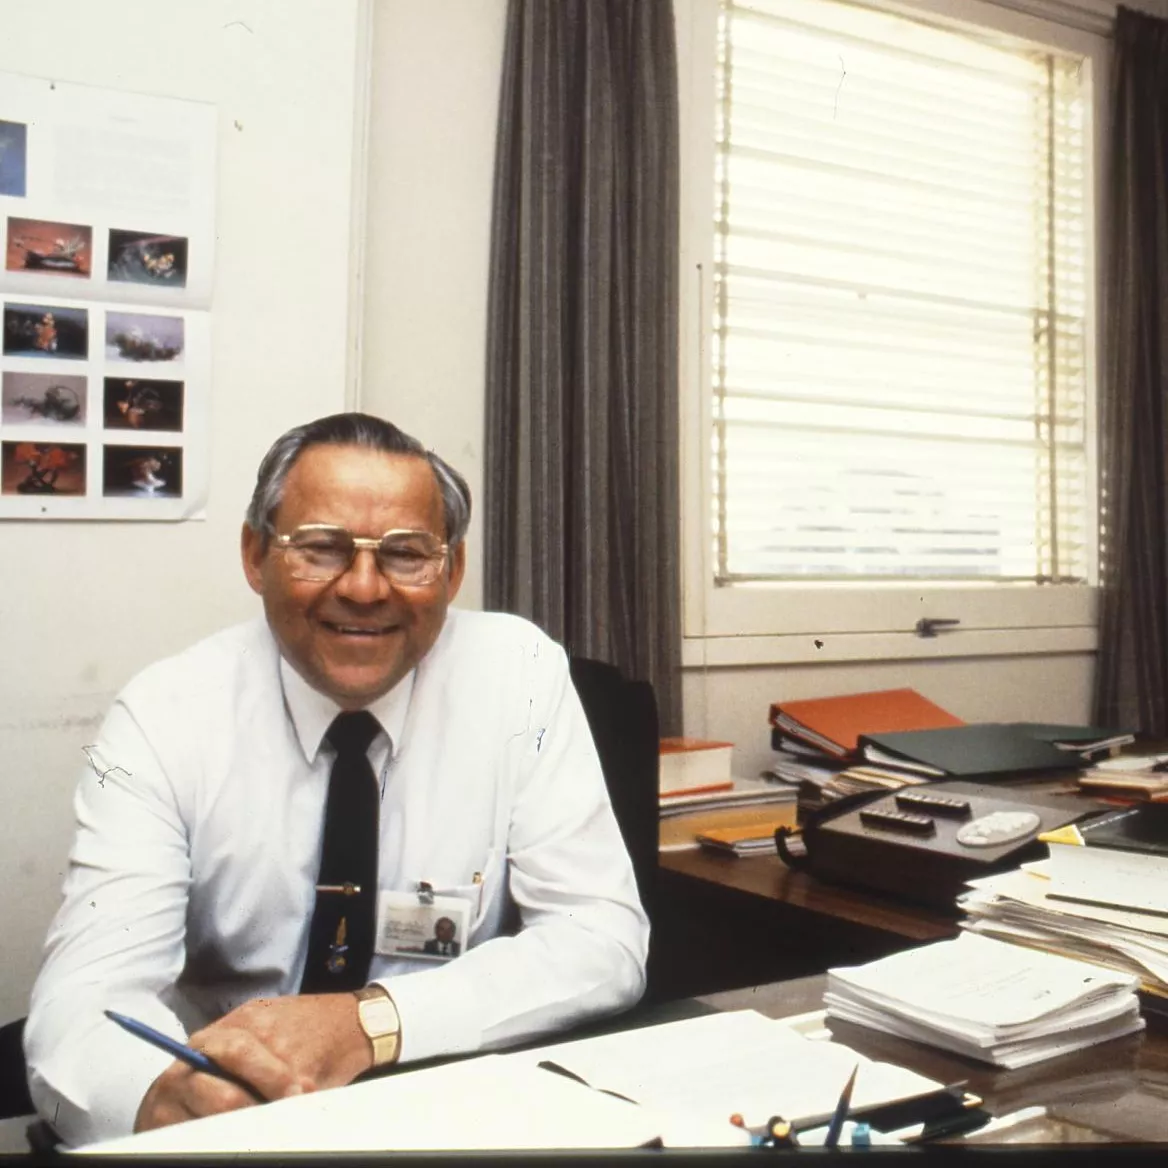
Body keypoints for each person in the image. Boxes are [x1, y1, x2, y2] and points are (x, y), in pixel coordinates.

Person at [25, 412, 649, 1147]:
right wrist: (162, 1101)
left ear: (450, 570)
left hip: (453, 1102)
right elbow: (86, 1001)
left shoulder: (520, 676)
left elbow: (600, 937)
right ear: (255, 555)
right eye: (320, 549)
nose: (362, 587)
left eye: (406, 554)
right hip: (233, 1122)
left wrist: (367, 1023)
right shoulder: (166, 714)